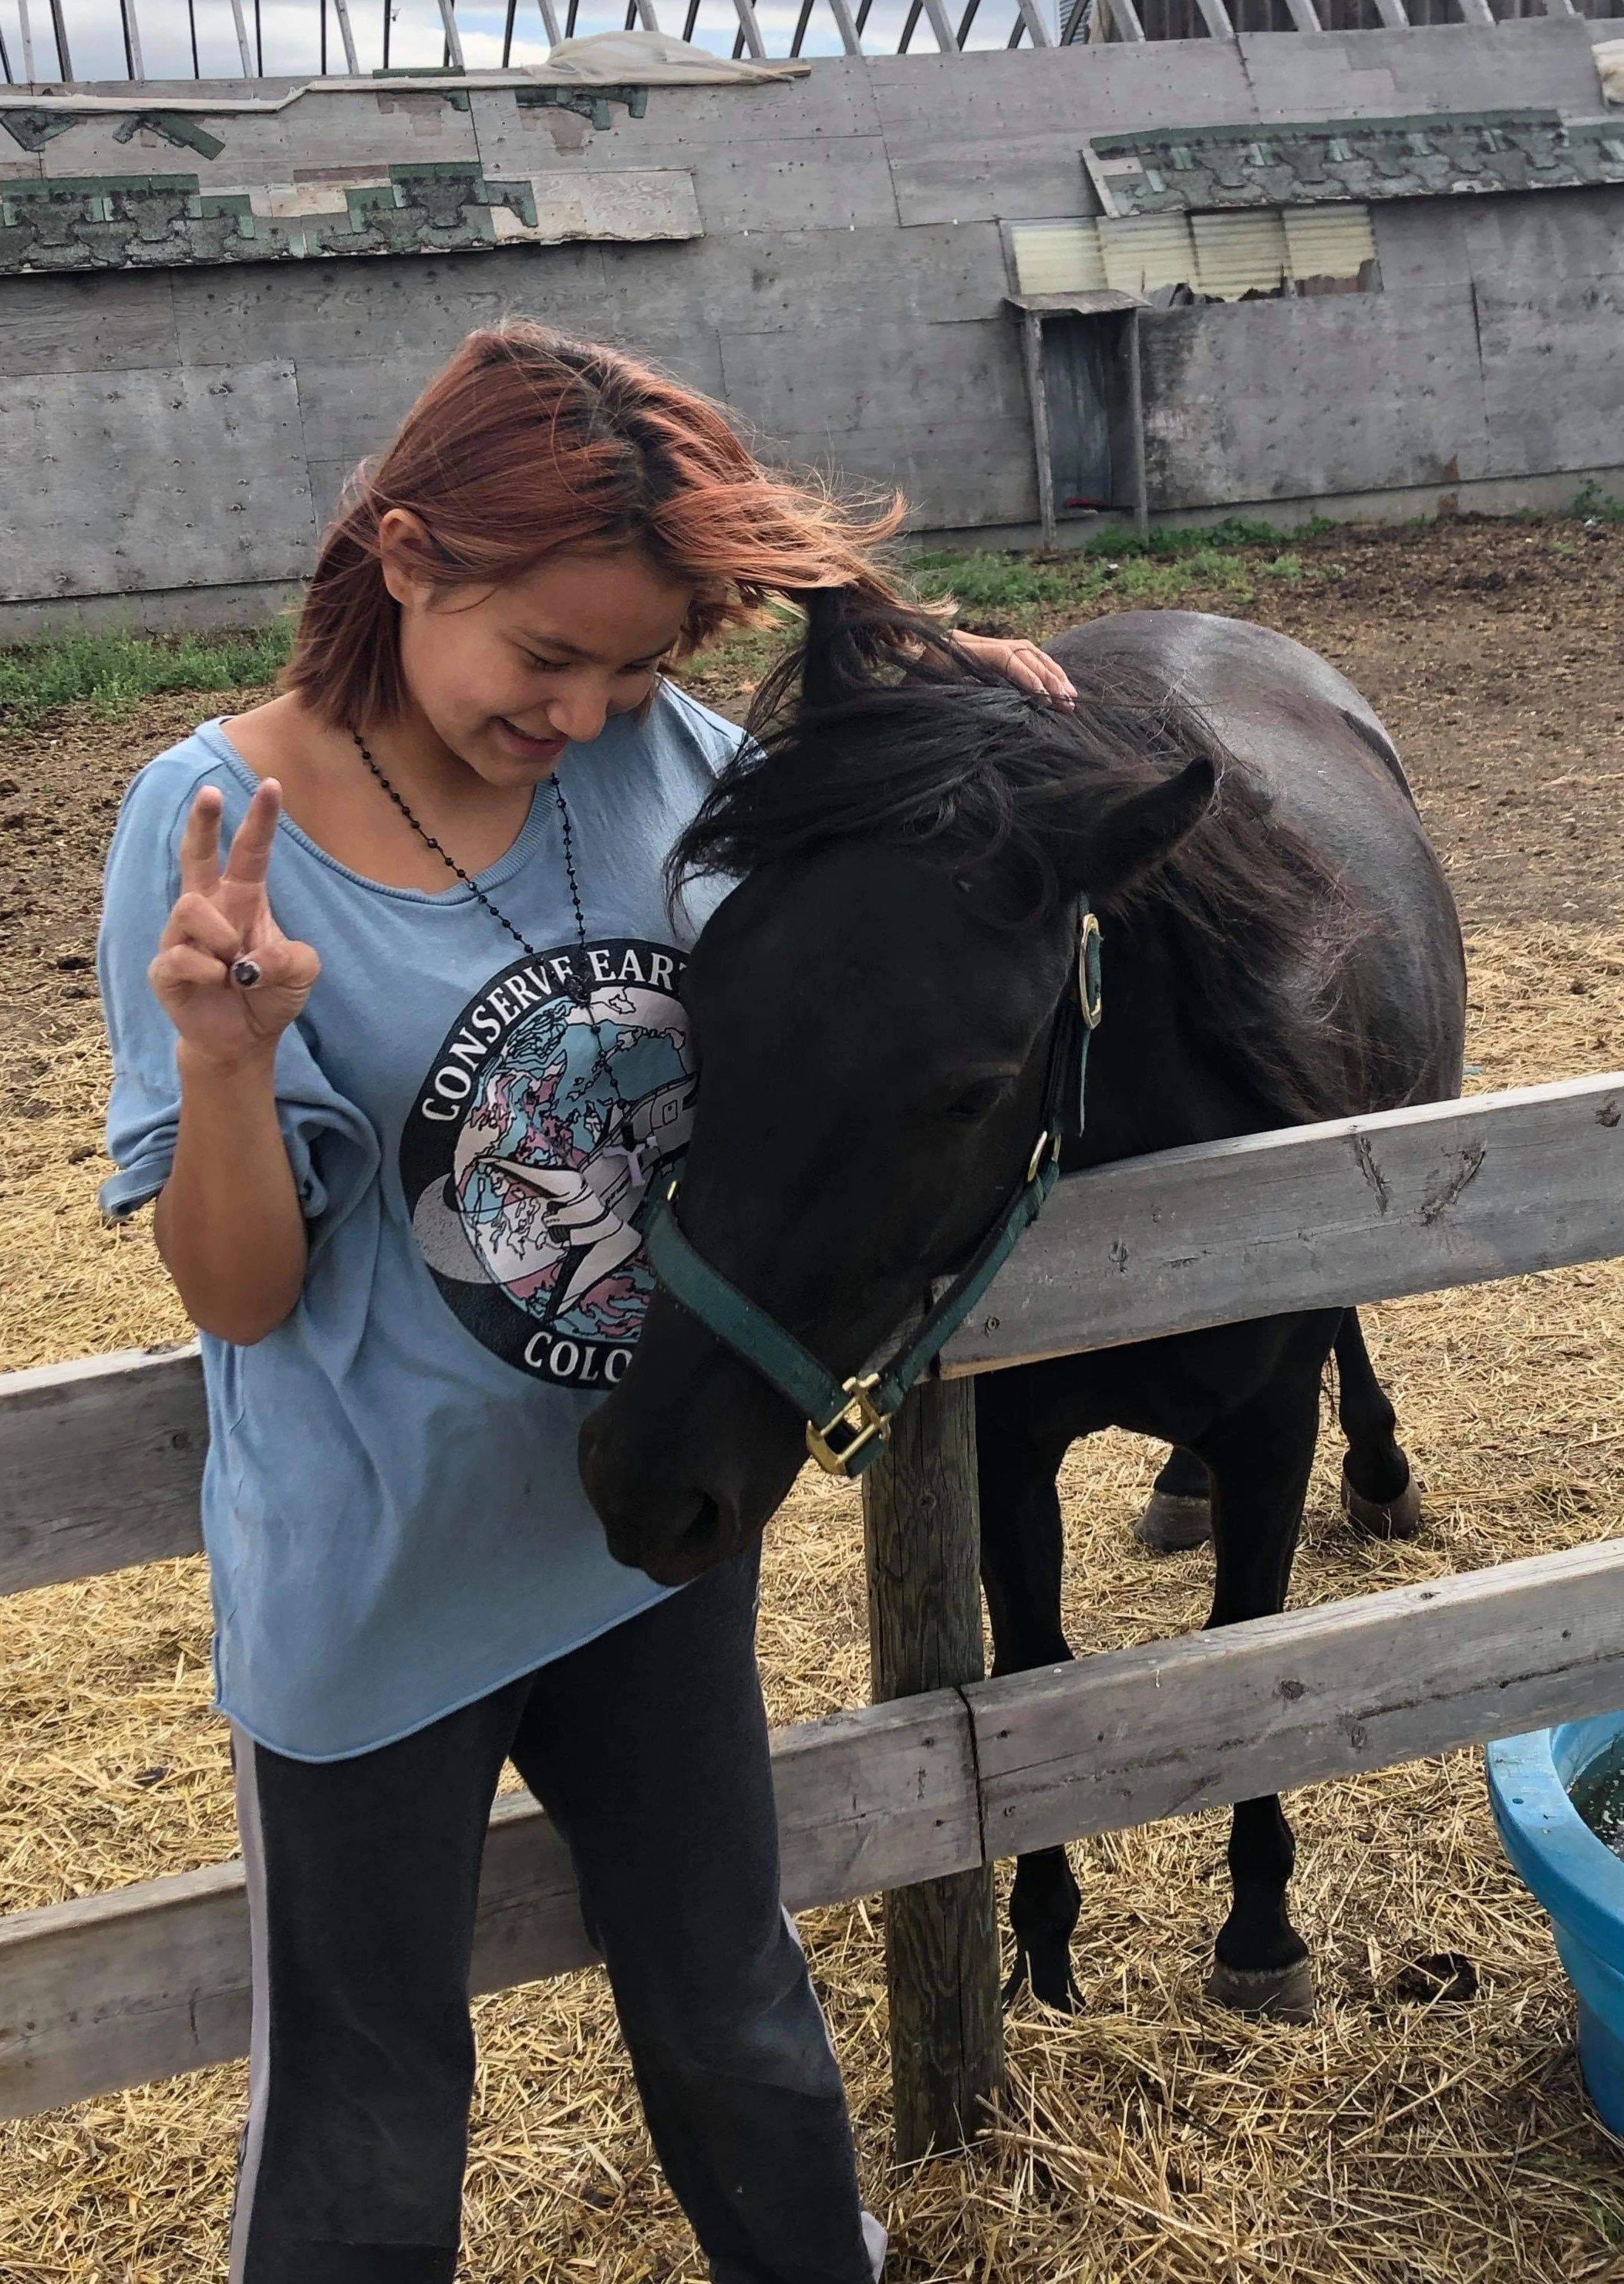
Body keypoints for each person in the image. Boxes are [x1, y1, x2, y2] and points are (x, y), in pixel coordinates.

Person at [96, 324, 1075, 2284]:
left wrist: (981, 716)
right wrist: (222, 1065)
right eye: (546, 656)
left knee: (737, 2012)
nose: (583, 710)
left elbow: (863, 888)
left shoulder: (667, 754)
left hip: (642, 1534)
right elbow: (243, 1296)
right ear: (405, 554)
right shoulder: (213, 829)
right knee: (371, 2109)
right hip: (378, 1577)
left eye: (629, 668)